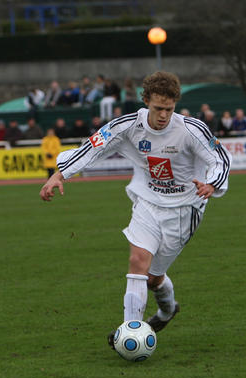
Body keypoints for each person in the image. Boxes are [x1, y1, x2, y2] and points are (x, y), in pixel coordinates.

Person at [39, 71, 232, 348]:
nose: (163, 115)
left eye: (169, 109)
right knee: (138, 261)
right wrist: (60, 174)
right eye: (158, 108)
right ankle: (131, 331)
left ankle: (167, 311)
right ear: (146, 101)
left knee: (153, 278)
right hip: (148, 201)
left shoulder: (191, 129)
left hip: (184, 208)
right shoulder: (128, 125)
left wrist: (212, 183)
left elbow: (219, 158)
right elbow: (94, 146)